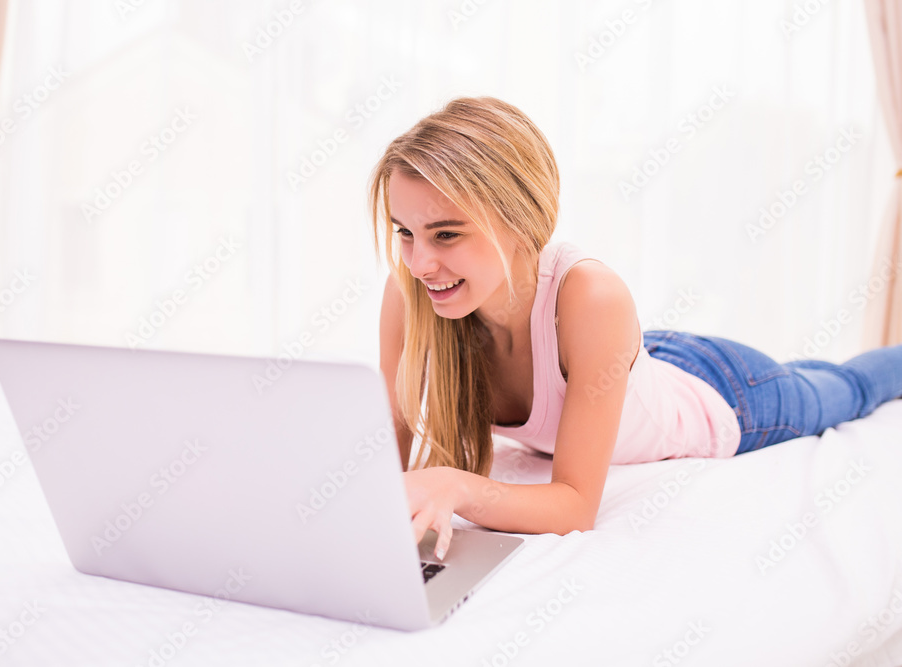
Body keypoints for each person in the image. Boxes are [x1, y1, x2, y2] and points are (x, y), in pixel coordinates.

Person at [368, 96, 902, 561]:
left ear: (520, 220)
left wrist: (455, 486)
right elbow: (390, 461)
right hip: (627, 361)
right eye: (405, 233)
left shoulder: (592, 298)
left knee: (847, 386)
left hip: (724, 393)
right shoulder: (412, 295)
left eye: (445, 235)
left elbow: (574, 506)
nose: (418, 262)